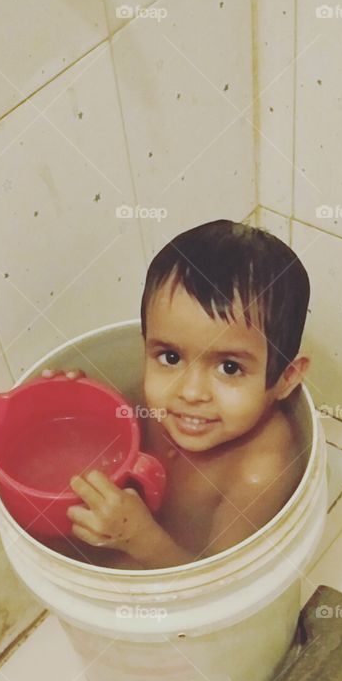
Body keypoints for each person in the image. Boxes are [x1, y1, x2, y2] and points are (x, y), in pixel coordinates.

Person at [51, 218, 311, 570]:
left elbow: (222, 582)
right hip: (123, 537)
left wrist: (141, 541)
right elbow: (100, 436)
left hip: (173, 571)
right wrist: (70, 403)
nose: (189, 392)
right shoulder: (159, 405)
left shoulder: (258, 471)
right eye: (170, 357)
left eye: (230, 368)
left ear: (285, 378)